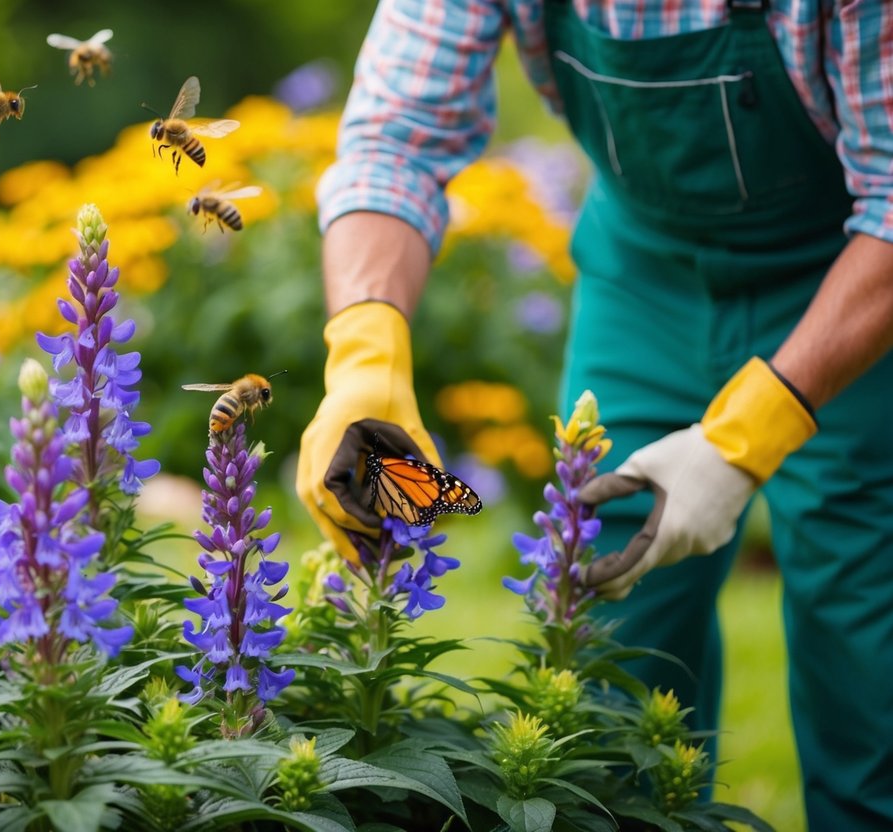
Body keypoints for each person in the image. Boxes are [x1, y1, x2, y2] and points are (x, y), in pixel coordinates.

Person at [294, 1, 893, 828]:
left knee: (868, 661)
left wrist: (752, 431)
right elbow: (391, 140)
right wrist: (364, 352)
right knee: (603, 642)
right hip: (646, 278)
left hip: (853, 285)